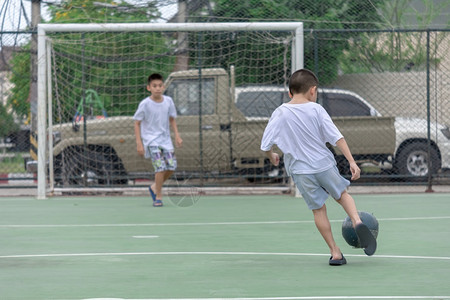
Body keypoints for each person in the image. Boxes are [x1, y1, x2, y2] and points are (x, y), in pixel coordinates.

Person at [260, 69, 376, 265]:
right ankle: (357, 220)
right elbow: (337, 137)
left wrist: (271, 156)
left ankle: (335, 252)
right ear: (313, 90)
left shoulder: (280, 112)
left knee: (318, 210)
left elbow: (264, 145)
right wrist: (352, 161)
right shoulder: (317, 110)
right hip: (323, 164)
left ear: (289, 93)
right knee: (342, 195)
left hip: (300, 171)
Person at [134, 73, 183, 207]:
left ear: (164, 86)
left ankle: (155, 186)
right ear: (148, 88)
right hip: (151, 140)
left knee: (171, 166)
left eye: (160, 85)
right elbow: (137, 123)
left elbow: (172, 119)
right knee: (160, 167)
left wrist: (177, 136)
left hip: (165, 140)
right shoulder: (145, 104)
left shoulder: (168, 101)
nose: (157, 88)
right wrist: (139, 143)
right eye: (154, 86)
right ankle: (158, 196)